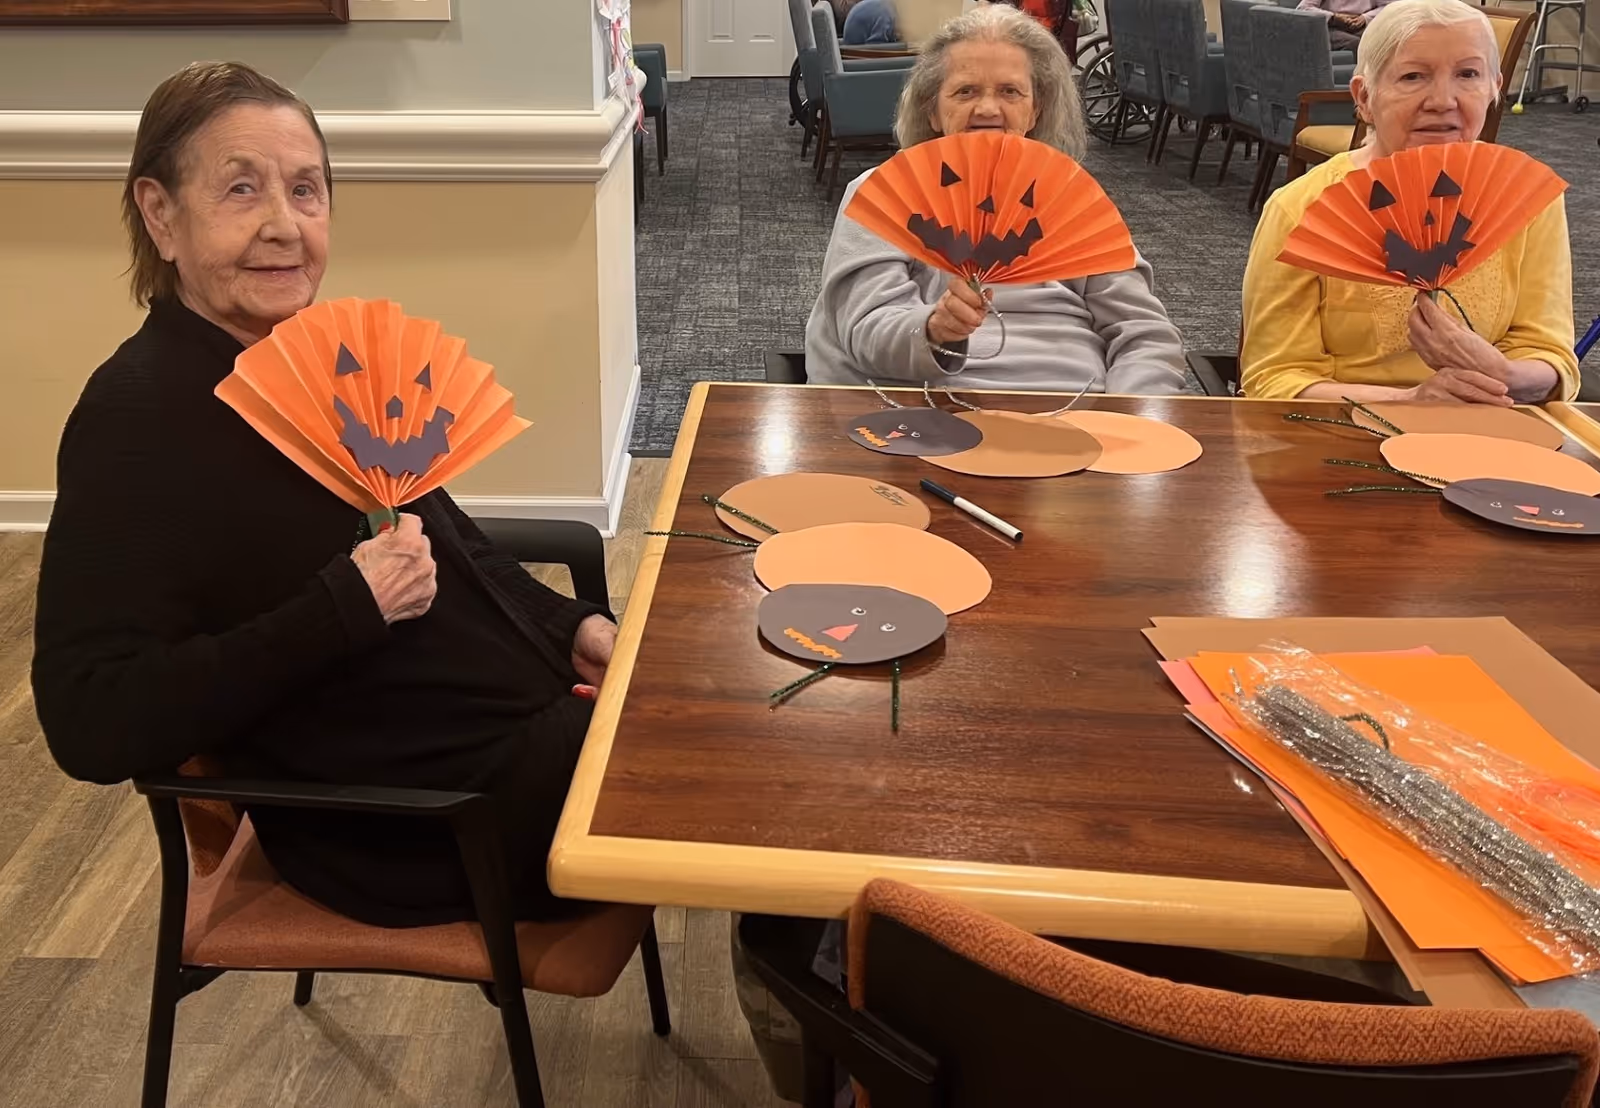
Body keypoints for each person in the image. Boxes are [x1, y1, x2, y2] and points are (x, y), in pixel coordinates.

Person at [31, 62, 617, 929]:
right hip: (418, 819)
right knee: (736, 776)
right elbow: (90, 718)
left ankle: (836, 982)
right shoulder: (138, 422)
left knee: (729, 708)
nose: (284, 226)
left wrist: (573, 630)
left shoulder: (316, 354)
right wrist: (347, 605)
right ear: (161, 214)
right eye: (241, 189)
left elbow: (451, 542)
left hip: (524, 728)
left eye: (306, 191)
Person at [805, 3, 1188, 394]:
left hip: (1078, 416)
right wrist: (936, 330)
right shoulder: (884, 193)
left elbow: (1146, 335)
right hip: (926, 414)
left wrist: (1130, 423)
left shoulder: (1067, 199)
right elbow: (867, 330)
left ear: (1035, 111)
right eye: (965, 91)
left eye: (1010, 92)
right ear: (933, 111)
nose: (988, 109)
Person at [1241, 0, 1578, 404]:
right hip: (1343, 436)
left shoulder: (1526, 199)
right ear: (1364, 98)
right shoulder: (1300, 208)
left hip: (1489, 431)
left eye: (1468, 74)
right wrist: (1411, 403)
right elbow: (1274, 379)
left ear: (1494, 90)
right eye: (1413, 76)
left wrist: (1503, 372)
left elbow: (1549, 353)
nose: (1442, 100)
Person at [1298, 0, 1395, 51]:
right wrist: (1333, 17)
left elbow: (1390, 6)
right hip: (1331, 27)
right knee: (1355, 43)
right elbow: (1303, 8)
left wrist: (1365, 17)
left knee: (1387, 41)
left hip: (1362, 24)